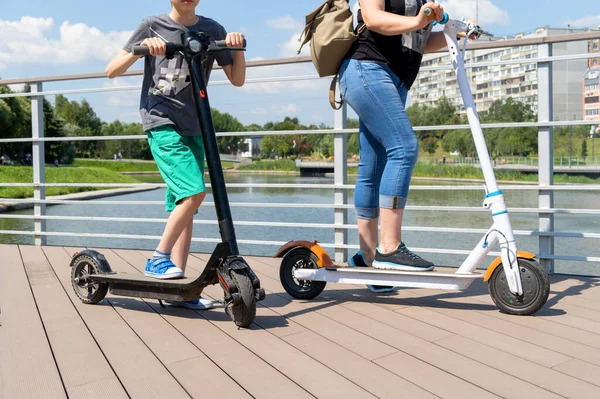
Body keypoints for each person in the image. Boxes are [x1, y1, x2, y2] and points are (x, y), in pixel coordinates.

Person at [105, 0, 246, 309]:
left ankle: (180, 287)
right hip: (161, 120)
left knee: (186, 203)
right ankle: (158, 258)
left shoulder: (212, 30)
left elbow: (237, 79)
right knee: (194, 192)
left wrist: (237, 47)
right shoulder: (152, 24)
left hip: (195, 124)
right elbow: (111, 70)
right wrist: (142, 47)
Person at [340, 1, 474, 292]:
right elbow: (373, 19)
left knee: (373, 165)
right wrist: (419, 20)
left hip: (394, 80)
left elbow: (417, 42)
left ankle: (369, 258)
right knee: (404, 148)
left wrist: (455, 34)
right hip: (367, 69)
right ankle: (389, 248)